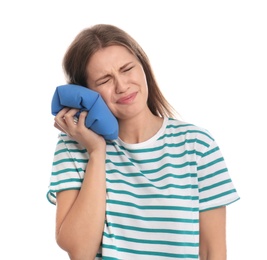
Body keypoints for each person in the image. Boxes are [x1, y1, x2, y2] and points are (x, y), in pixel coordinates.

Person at [47, 24, 240, 260]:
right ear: (85, 93)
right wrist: (97, 152)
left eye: (127, 69)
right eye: (105, 80)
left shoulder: (197, 145)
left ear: (144, 68)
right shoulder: (73, 147)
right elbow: (80, 251)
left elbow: (213, 252)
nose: (122, 86)